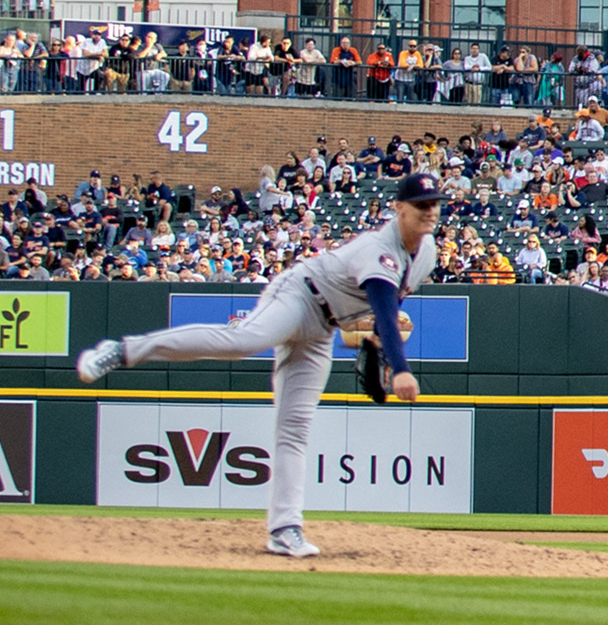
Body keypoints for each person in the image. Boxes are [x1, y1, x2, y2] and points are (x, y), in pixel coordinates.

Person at [75, 172, 443, 560]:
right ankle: (124, 350)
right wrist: (399, 367)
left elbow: (394, 299)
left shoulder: (428, 251)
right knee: (243, 341)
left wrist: (372, 342)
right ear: (399, 208)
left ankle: (285, 529)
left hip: (323, 328)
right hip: (300, 296)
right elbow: (385, 309)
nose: (429, 211)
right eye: (421, 204)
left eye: (434, 203)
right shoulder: (378, 248)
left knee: (296, 428)